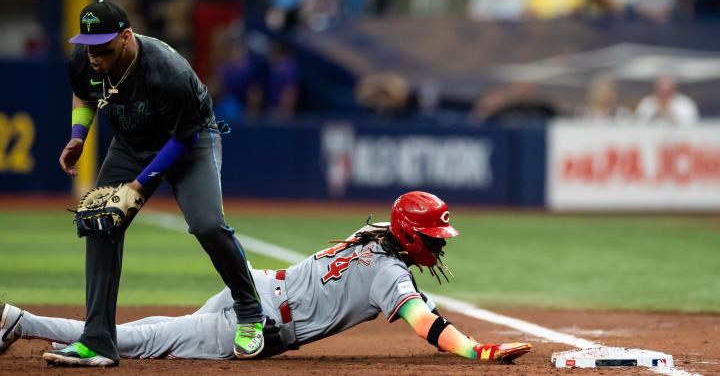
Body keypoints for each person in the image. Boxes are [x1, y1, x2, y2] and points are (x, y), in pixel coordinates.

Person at [0, 191, 532, 364]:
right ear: (411, 237)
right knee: (137, 342)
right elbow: (424, 324)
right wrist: (476, 352)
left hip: (248, 289)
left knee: (159, 328)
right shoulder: (388, 271)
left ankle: (23, 322)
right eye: (436, 235)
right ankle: (18, 322)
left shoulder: (370, 238)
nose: (440, 243)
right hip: (255, 324)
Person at [54, 0, 264, 366]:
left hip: (190, 140)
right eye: (89, 47)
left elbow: (183, 139)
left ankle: (250, 313)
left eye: (103, 48)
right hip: (131, 143)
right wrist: (78, 135)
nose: (94, 57)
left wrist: (137, 187)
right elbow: (85, 94)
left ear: (126, 36)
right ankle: (97, 339)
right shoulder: (85, 59)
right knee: (102, 224)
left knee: (207, 225)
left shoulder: (167, 71)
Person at [635, 75, 699, 126]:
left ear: (674, 88)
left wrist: (670, 113)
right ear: (656, 88)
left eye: (667, 91)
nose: (664, 94)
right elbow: (640, 124)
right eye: (661, 90)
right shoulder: (647, 103)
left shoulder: (684, 103)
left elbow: (690, 124)